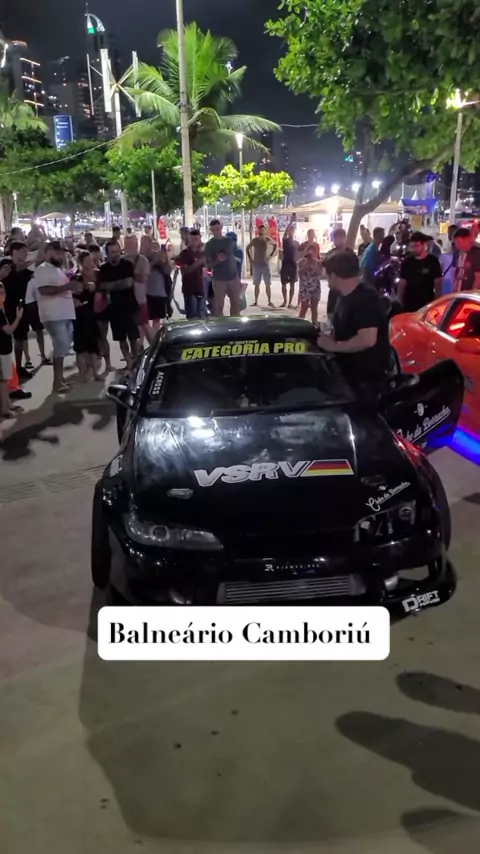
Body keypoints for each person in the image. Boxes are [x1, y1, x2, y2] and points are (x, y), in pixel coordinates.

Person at [320, 251, 390, 396]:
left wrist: (334, 346)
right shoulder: (342, 295)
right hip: (349, 373)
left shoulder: (366, 297)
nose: (325, 278)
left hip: (366, 379)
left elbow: (367, 339)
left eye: (326, 274)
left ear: (334, 275)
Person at [1, 241, 49, 377]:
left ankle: (18, 367)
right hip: (6, 308)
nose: (25, 255)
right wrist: (32, 259)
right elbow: (17, 267)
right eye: (23, 252)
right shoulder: (6, 264)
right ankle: (6, 370)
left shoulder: (26, 271)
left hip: (20, 307)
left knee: (21, 338)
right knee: (6, 340)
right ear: (14, 252)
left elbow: (35, 267)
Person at [33, 241, 76, 394]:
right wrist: (66, 287)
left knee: (63, 347)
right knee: (61, 346)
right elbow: (44, 290)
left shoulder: (58, 270)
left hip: (64, 313)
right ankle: (56, 382)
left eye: (62, 253)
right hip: (53, 315)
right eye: (58, 252)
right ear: (49, 251)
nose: (61, 256)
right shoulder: (42, 269)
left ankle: (60, 379)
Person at [98, 240, 139, 368]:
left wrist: (111, 285)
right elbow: (102, 286)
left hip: (130, 306)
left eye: (117, 251)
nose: (115, 254)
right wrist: (118, 283)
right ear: (107, 254)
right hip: (114, 309)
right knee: (121, 338)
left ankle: (136, 359)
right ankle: (128, 362)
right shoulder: (104, 269)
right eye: (112, 252)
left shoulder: (127, 265)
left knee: (133, 337)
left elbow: (128, 283)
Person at [71, 251, 101, 381]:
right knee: (80, 348)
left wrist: (95, 287)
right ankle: (82, 374)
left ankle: (95, 373)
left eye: (90, 260)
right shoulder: (77, 277)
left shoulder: (96, 275)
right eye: (87, 261)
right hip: (79, 318)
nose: (90, 263)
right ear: (81, 263)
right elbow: (72, 293)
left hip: (91, 316)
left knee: (93, 347)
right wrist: (80, 290)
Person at [204, 219, 241, 316]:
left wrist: (238, 277)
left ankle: (235, 323)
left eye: (217, 229)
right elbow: (207, 264)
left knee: (236, 304)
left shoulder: (229, 242)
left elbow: (233, 258)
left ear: (221, 228)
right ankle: (221, 323)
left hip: (233, 278)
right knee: (219, 306)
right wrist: (217, 260)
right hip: (219, 279)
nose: (216, 231)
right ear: (211, 230)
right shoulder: (209, 245)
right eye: (213, 230)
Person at [398, 232, 443, 312]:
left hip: (427, 303)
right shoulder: (407, 262)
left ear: (423, 245)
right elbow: (402, 283)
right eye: (412, 246)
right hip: (409, 303)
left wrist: (437, 301)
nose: (414, 249)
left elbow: (438, 283)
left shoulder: (433, 261)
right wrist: (399, 299)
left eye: (416, 246)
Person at [0, 283, 24, 418]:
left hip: (5, 348)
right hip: (2, 349)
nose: (2, 295)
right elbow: (8, 331)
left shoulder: (1, 309)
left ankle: (8, 404)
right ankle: (4, 408)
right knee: (3, 381)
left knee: (4, 380)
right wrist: (18, 318)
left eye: (3, 291)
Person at [124, 233, 153, 344]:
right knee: (132, 328)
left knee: (144, 325)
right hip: (125, 301)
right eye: (127, 243)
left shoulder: (142, 260)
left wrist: (129, 275)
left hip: (139, 300)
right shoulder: (121, 259)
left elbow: (143, 278)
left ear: (136, 244)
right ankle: (138, 349)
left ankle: (155, 347)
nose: (128, 246)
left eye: (131, 243)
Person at [323, 228, 355, 315]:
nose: (336, 240)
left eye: (339, 237)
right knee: (332, 312)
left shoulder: (350, 254)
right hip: (334, 289)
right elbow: (325, 269)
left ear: (344, 238)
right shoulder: (330, 254)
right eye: (335, 238)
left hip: (347, 289)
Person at [176, 229, 206, 319]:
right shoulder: (184, 254)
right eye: (192, 239)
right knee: (192, 317)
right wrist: (197, 263)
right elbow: (184, 271)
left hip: (200, 288)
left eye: (196, 239)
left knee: (201, 316)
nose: (194, 242)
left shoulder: (201, 253)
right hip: (189, 289)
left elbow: (207, 267)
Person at [247, 224, 277, 307]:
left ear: (264, 230)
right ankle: (256, 301)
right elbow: (247, 248)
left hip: (265, 264)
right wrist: (250, 259)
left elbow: (275, 244)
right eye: (260, 230)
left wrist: (271, 255)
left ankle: (269, 301)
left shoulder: (267, 239)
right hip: (257, 264)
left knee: (268, 284)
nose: (261, 231)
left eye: (263, 230)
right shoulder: (255, 240)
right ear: (258, 230)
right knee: (256, 284)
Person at [146, 248, 172, 331]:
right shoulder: (145, 259)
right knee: (144, 321)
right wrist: (153, 261)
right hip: (147, 294)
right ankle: (146, 338)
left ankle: (155, 336)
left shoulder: (162, 263)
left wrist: (165, 259)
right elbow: (145, 272)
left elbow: (168, 271)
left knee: (157, 320)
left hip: (160, 294)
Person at [297, 244, 322, 323]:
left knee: (314, 308)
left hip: (315, 287)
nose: (311, 253)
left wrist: (315, 264)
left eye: (313, 251)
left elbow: (319, 274)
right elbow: (299, 273)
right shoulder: (301, 262)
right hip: (305, 288)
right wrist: (306, 265)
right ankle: (300, 325)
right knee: (303, 308)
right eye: (309, 250)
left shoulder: (319, 263)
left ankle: (314, 324)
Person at [452, 227, 480, 292]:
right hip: (459, 293)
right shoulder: (458, 254)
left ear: (467, 239)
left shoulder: (477, 253)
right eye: (455, 243)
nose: (457, 246)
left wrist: (471, 294)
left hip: (470, 295)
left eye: (459, 242)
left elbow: (478, 279)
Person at [280, 224, 299, 308]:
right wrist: (290, 223)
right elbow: (284, 235)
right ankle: (285, 301)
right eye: (290, 231)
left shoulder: (296, 243)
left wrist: (298, 262)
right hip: (285, 264)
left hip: (293, 265)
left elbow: (299, 253)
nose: (291, 232)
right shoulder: (285, 241)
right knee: (283, 283)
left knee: (292, 284)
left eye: (292, 231)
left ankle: (290, 302)